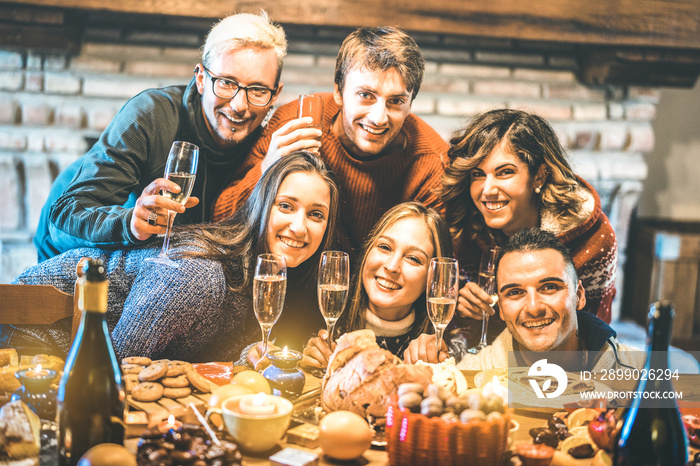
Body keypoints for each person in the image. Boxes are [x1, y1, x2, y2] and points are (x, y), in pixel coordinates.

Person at [5, 152, 339, 362]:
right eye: (286, 206)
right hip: (36, 341)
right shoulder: (198, 277)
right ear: (262, 207)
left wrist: (247, 359)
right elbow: (121, 368)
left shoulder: (266, 283)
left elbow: (196, 360)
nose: (299, 227)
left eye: (316, 214)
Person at [34, 12, 288, 261]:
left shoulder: (271, 143)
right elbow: (67, 216)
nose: (239, 105)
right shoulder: (151, 115)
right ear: (200, 78)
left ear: (275, 95)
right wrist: (131, 222)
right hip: (70, 247)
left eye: (257, 89)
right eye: (226, 83)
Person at [212, 26, 447, 253]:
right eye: (365, 95)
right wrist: (266, 168)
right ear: (338, 91)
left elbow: (440, 262)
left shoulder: (430, 162)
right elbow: (222, 219)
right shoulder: (297, 120)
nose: (378, 118)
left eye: (396, 101)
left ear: (410, 104)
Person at [441, 108, 617, 349]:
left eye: (505, 172)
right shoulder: (464, 229)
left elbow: (595, 332)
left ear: (540, 176)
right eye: (478, 174)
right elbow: (459, 337)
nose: (487, 190)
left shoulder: (594, 240)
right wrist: (463, 311)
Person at [406, 228, 643, 373]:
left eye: (549, 287)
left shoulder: (640, 374)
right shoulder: (472, 377)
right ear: (500, 309)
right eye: (515, 293)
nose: (533, 307)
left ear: (579, 295)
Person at [298, 202, 453, 372]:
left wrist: (436, 366)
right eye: (385, 247)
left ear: (432, 280)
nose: (392, 266)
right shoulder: (320, 315)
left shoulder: (438, 342)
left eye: (413, 259)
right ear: (367, 251)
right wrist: (306, 365)